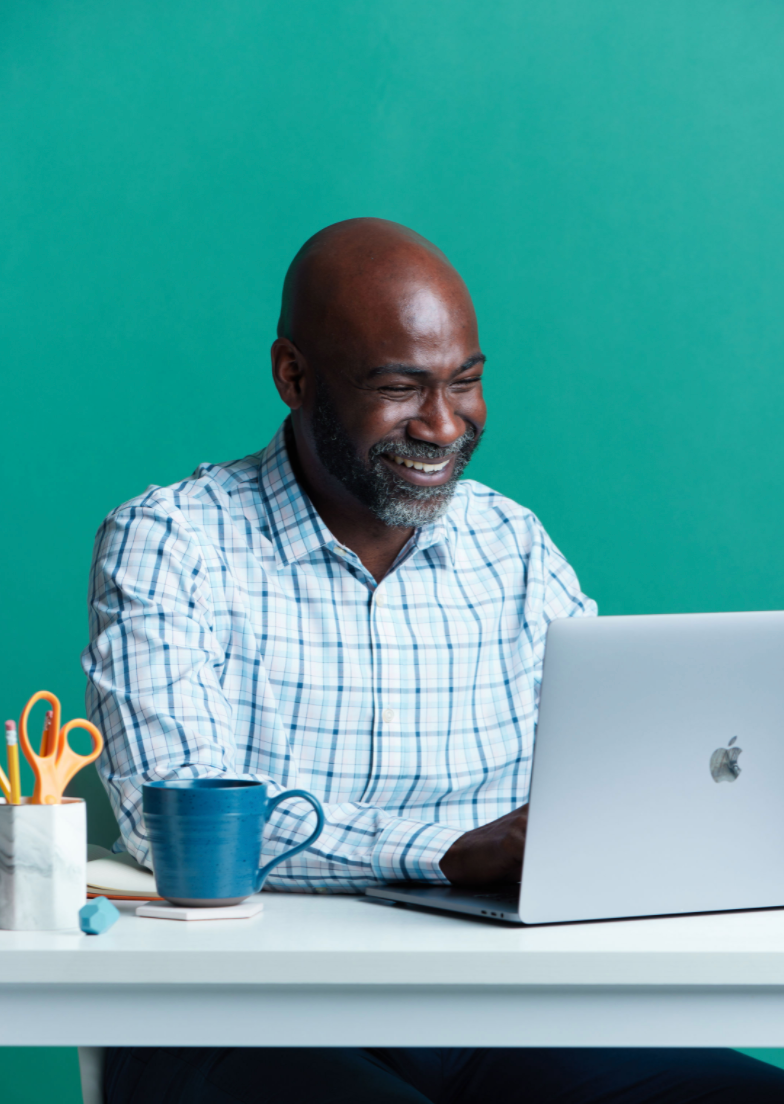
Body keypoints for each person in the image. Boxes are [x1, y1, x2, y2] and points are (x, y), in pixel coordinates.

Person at [84, 218, 784, 1102]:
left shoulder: (510, 543)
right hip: (239, 1014)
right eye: (400, 387)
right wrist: (446, 851)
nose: (444, 423)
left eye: (467, 382)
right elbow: (172, 821)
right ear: (293, 376)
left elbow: (613, 775)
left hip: (501, 1012)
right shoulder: (173, 540)